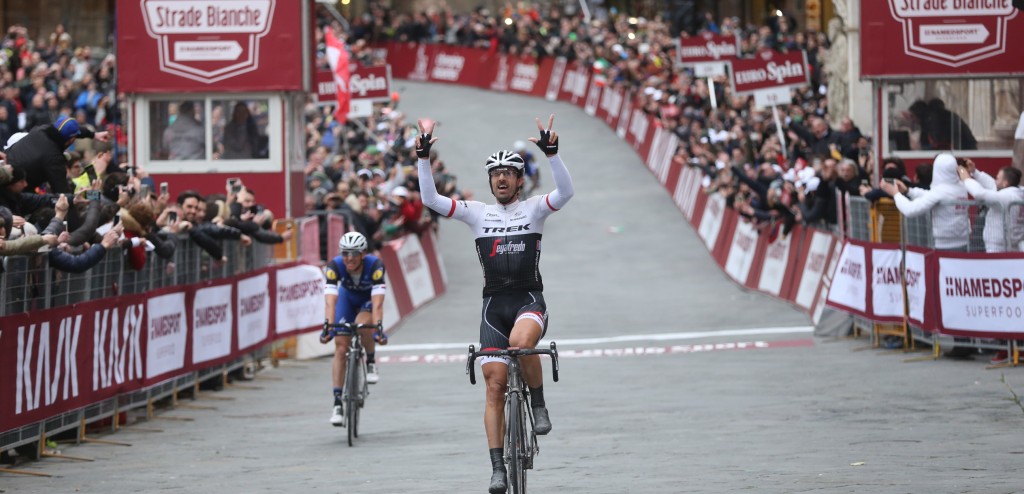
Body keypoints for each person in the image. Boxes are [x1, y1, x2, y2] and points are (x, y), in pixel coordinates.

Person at [415, 115, 574, 494]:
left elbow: (565, 193)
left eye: (508, 173)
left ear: (520, 180)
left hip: (528, 301)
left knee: (521, 343)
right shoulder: (477, 213)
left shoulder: (534, 209)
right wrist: (423, 157)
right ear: (490, 181)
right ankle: (497, 468)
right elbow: (430, 200)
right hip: (493, 308)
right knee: (493, 386)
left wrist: (553, 156)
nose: (501, 178)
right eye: (495, 173)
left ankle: (538, 404)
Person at [320, 231, 388, 427]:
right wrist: (327, 326)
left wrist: (378, 330)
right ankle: (337, 403)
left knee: (363, 324)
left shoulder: (375, 266)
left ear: (363, 254)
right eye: (345, 253)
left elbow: (377, 304)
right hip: (347, 299)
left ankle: (371, 361)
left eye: (354, 253)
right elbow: (330, 302)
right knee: (340, 348)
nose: (349, 258)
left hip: (367, 301)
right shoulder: (334, 266)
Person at [4, 115, 110, 193]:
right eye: (75, 166)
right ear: (66, 169)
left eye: (80, 166)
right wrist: (95, 174)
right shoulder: (54, 162)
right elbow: (65, 196)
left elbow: (70, 132)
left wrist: (93, 135)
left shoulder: (41, 130)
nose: (79, 169)